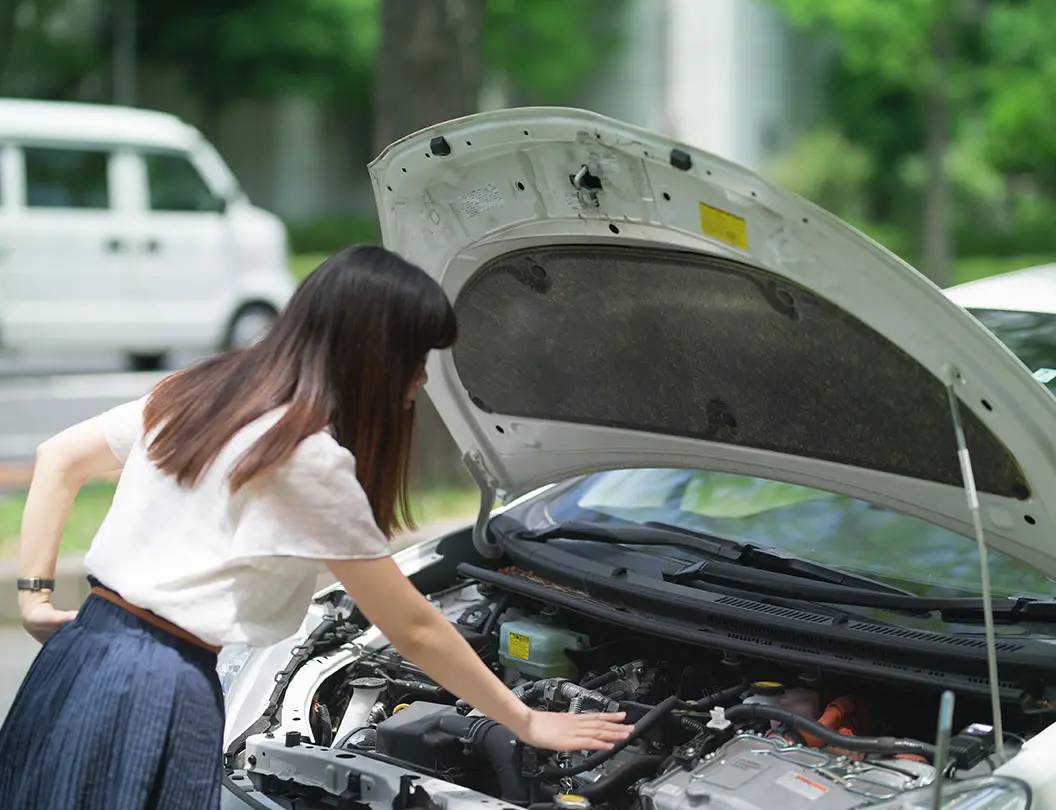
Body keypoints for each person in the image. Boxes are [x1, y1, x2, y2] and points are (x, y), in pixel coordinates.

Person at [0, 245, 632, 810]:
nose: (420, 380)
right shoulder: (305, 457)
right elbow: (411, 625)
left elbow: (60, 458)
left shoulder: (202, 388)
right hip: (157, 686)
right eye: (415, 359)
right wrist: (524, 721)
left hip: (85, 651)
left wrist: (34, 598)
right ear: (372, 354)